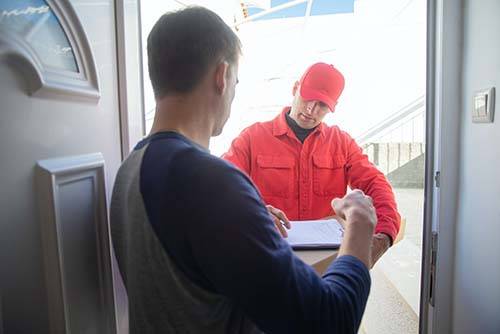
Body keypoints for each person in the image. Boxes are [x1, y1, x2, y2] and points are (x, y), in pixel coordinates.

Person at [110, 6, 376, 334]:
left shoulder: (128, 170)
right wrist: (361, 226)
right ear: (222, 76)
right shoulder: (212, 183)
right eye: (236, 80)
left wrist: (245, 214)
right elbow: (330, 321)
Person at [223, 62, 401, 266]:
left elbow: (375, 183)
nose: (311, 110)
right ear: (295, 88)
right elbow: (221, 185)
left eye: (322, 105)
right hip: (267, 257)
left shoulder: (342, 143)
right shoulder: (252, 138)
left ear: (333, 107)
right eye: (308, 97)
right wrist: (252, 212)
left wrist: (384, 236)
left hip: (324, 264)